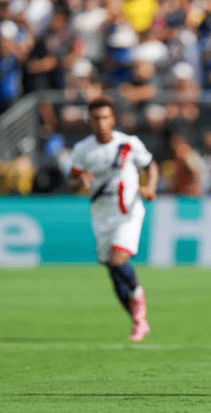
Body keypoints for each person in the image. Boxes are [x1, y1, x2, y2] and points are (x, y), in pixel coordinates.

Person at [67, 96, 158, 342]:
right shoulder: (83, 149)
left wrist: (150, 187)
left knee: (118, 261)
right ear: (90, 120)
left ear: (113, 119)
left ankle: (137, 292)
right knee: (113, 271)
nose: (101, 122)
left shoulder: (128, 143)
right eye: (96, 118)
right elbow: (72, 179)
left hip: (127, 211)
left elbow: (151, 165)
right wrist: (80, 182)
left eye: (105, 117)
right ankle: (138, 322)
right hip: (101, 214)